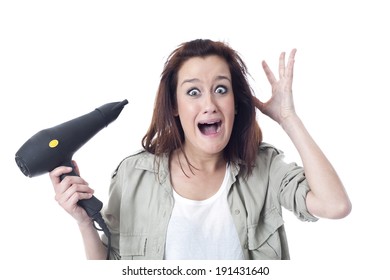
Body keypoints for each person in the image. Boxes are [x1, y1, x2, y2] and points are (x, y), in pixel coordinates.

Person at [49, 39, 352, 260]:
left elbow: (335, 205)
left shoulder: (265, 168)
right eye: (193, 92)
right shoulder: (133, 175)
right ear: (176, 107)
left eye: (221, 89)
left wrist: (289, 119)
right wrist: (84, 222)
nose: (209, 104)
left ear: (235, 103)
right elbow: (108, 267)